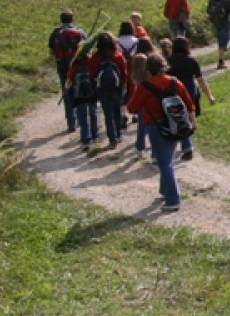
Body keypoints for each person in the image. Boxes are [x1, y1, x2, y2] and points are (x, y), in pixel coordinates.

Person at [126, 54, 196, 213]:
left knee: (164, 163)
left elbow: (132, 108)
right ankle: (164, 191)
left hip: (156, 126)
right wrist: (192, 122)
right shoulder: (175, 82)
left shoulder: (145, 86)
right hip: (175, 124)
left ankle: (173, 199)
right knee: (168, 159)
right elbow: (189, 104)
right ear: (164, 66)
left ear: (148, 69)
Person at [168, 36, 215, 161]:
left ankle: (178, 146)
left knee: (175, 118)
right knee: (187, 119)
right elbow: (200, 80)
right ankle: (187, 147)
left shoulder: (168, 61)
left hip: (172, 92)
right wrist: (209, 95)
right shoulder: (191, 61)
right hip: (189, 92)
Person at [48, 10, 87, 134]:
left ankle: (71, 122)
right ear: (72, 19)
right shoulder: (80, 32)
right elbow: (86, 50)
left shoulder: (56, 33)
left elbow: (51, 51)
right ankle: (81, 119)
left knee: (67, 93)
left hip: (63, 68)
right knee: (79, 91)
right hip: (78, 67)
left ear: (61, 20)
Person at [87, 32, 128, 150]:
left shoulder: (96, 57)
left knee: (107, 113)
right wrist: (123, 85)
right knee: (117, 111)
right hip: (117, 87)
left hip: (102, 89)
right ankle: (118, 134)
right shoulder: (118, 55)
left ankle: (112, 138)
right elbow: (124, 72)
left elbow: (92, 73)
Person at [65, 47, 101, 149]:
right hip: (91, 94)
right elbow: (95, 75)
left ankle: (86, 140)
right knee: (93, 114)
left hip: (79, 95)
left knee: (83, 117)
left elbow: (69, 77)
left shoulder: (74, 64)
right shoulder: (91, 62)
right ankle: (94, 135)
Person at [206, 0, 230, 70]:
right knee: (224, 40)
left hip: (216, 21)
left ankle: (221, 58)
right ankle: (221, 60)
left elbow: (208, 10)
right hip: (225, 21)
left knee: (220, 39)